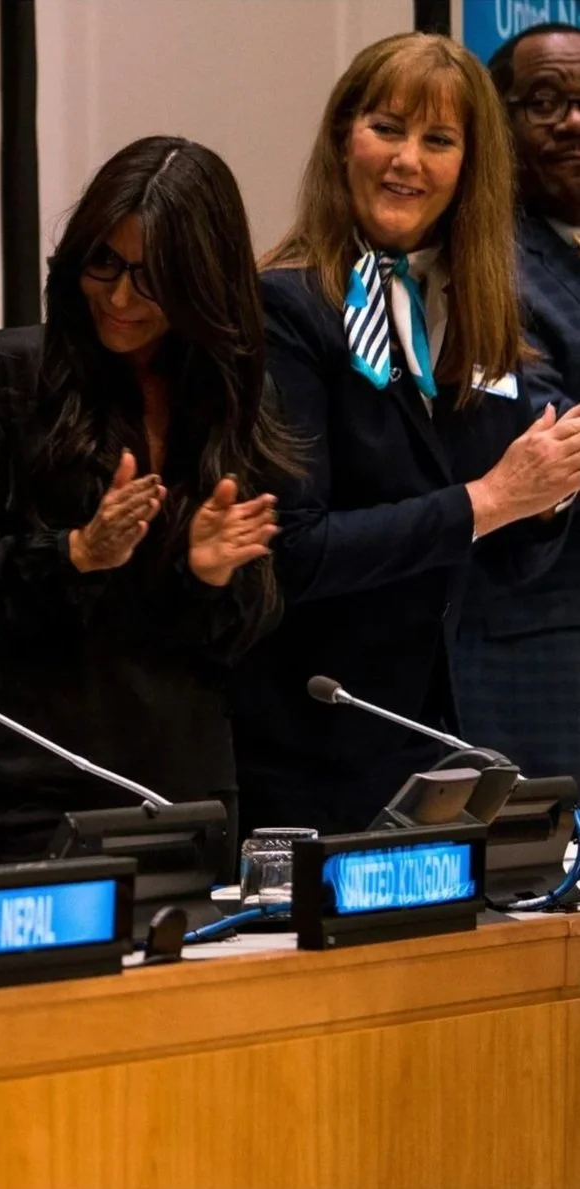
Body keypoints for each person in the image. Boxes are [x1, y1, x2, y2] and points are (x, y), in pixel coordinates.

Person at [232, 33, 580, 837]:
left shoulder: (481, 311)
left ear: (471, 165)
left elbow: (507, 553)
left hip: (453, 743)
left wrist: (548, 495)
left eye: (438, 140)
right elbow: (297, 548)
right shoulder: (286, 306)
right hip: (318, 737)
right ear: (339, 140)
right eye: (386, 127)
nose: (407, 161)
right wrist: (489, 497)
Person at [0, 137, 294, 865]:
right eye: (103, 265)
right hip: (38, 778)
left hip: (187, 780)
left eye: (151, 279)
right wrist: (76, 554)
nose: (119, 299)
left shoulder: (236, 396)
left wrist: (209, 576)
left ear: (200, 282)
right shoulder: (7, 372)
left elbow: (247, 628)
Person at [452, 24, 580, 790]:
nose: (572, 120)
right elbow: (549, 442)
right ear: (498, 125)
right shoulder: (492, 265)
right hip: (541, 656)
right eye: (545, 102)